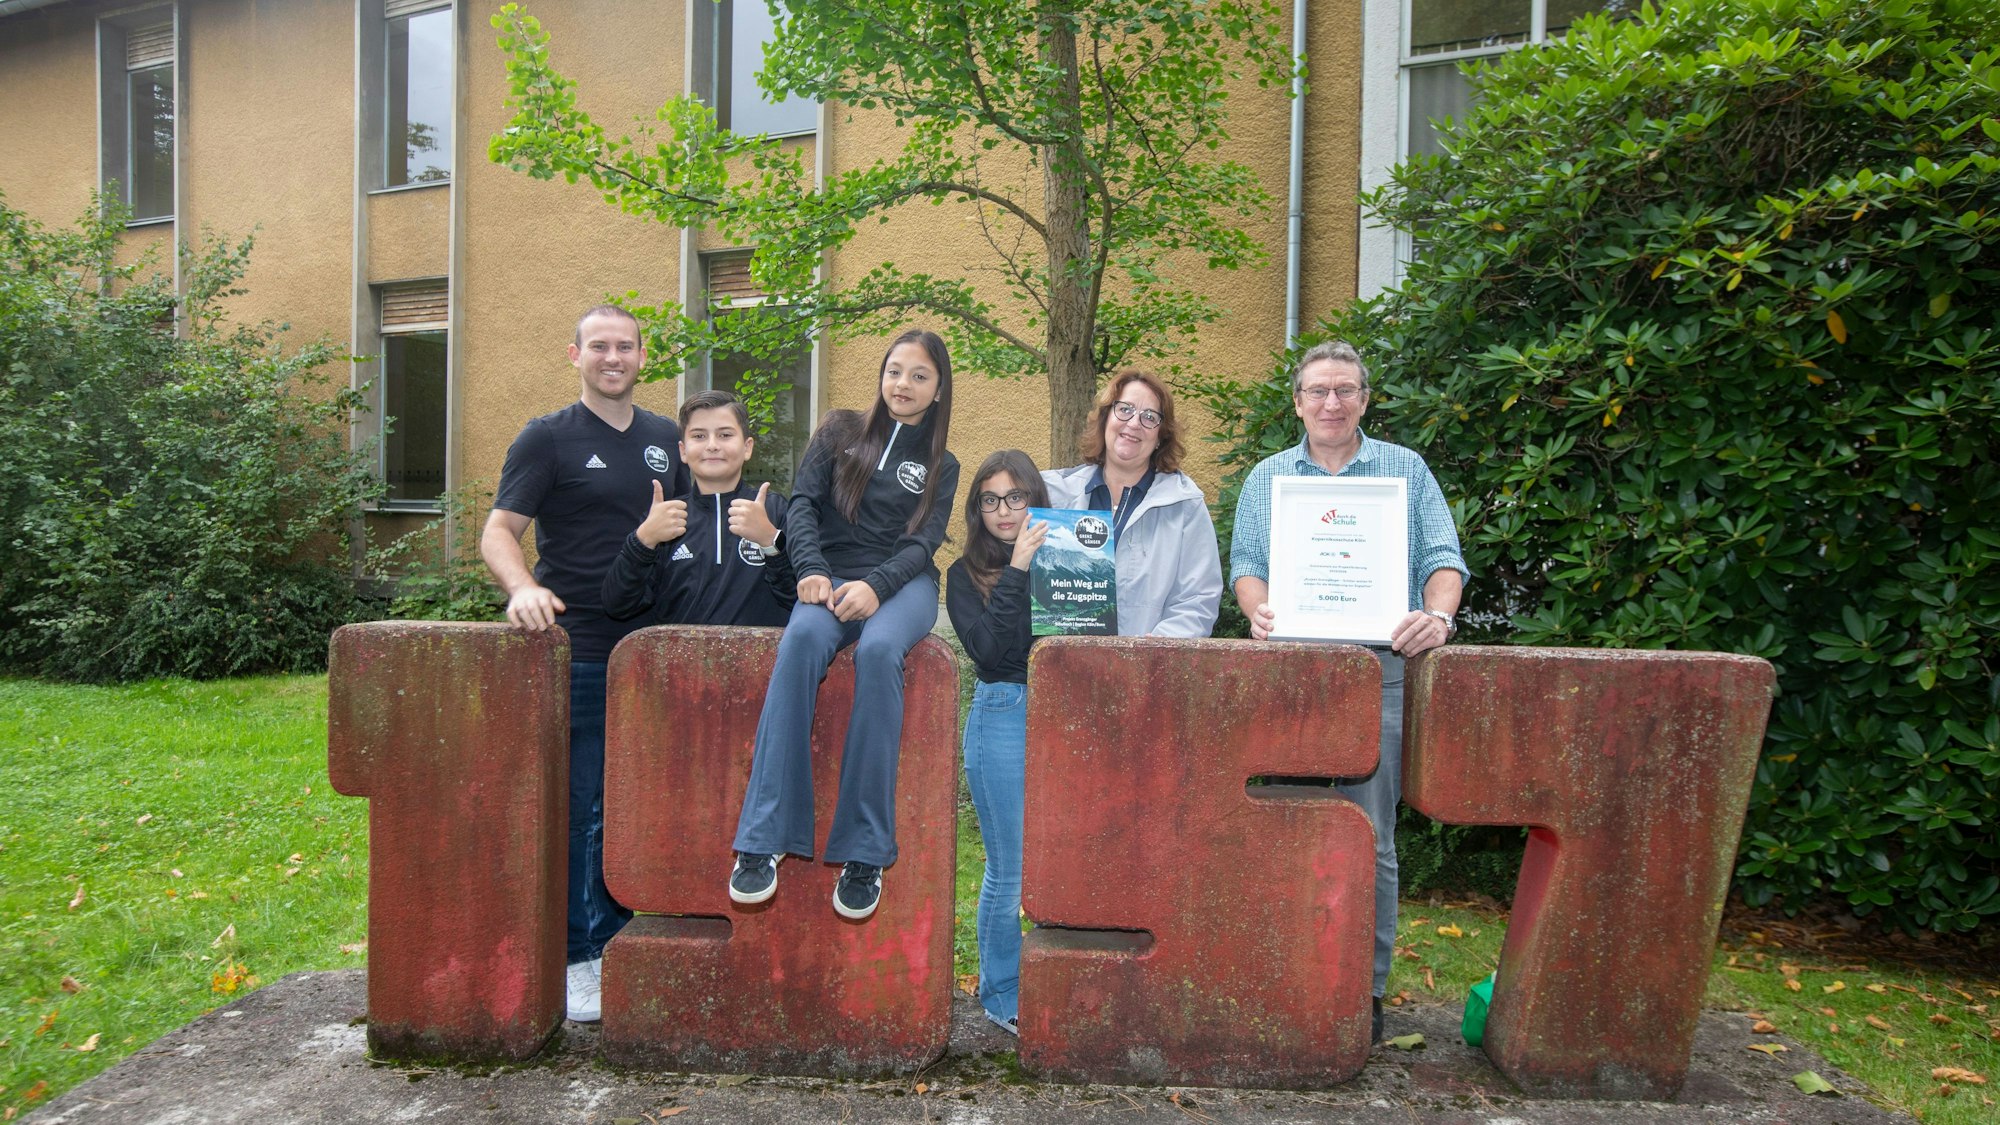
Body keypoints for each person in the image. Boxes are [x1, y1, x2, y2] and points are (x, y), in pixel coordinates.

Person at [1228, 339, 1468, 1045]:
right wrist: (1258, 610)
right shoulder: (1268, 478)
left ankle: (1364, 990)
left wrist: (1438, 617)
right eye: (1318, 391)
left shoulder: (1406, 470)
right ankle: (1287, 972)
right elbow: (1246, 564)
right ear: (1298, 402)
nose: (1331, 403)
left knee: (1371, 837)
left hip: (1379, 673)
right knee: (1287, 829)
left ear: (1364, 399)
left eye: (1344, 390)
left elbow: (1443, 559)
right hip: (1293, 677)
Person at [479, 305, 689, 1024]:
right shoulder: (546, 438)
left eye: (625, 346)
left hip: (656, 652)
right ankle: (580, 956)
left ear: (643, 356)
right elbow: (499, 531)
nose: (613, 357)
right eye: (599, 346)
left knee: (639, 806)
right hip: (585, 651)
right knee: (586, 808)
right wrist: (522, 588)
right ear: (575, 354)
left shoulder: (665, 438)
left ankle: (624, 941)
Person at [727, 328, 960, 921]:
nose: (903, 384)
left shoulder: (943, 463)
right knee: (803, 638)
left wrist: (876, 587)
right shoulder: (839, 431)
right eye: (895, 371)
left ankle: (865, 851)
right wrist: (809, 569)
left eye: (919, 376)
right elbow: (803, 504)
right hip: (828, 574)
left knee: (879, 652)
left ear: (938, 391)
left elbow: (923, 545)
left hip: (902, 584)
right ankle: (764, 837)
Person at [944, 450, 1050, 1037]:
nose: (1004, 510)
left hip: (1063, 714)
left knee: (1055, 861)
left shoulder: (1066, 559)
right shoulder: (963, 576)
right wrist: (1017, 569)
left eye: (1015, 497)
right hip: (1004, 713)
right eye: (990, 500)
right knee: (1009, 869)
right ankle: (1001, 992)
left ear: (1034, 499)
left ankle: (1046, 975)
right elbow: (987, 651)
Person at [1042, 371, 1222, 637]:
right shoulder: (1053, 494)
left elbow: (1197, 601)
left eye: (1150, 417)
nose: (1134, 423)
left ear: (1160, 436)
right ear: (1105, 419)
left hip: (1151, 660)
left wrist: (1147, 653)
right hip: (1064, 658)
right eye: (1124, 409)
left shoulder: (1185, 505)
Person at [600, 389, 795, 628]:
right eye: (699, 436)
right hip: (678, 653)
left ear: (747, 447)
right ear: (683, 450)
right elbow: (618, 605)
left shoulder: (775, 512)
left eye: (725, 435)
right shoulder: (666, 519)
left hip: (762, 653)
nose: (712, 445)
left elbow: (799, 598)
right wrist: (643, 541)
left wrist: (771, 542)